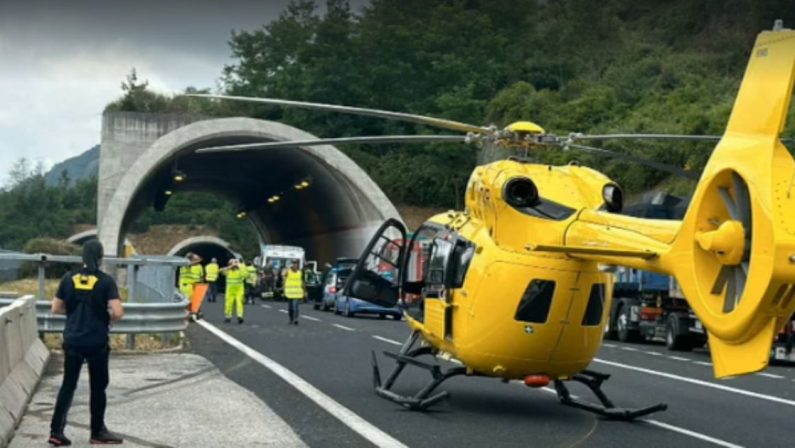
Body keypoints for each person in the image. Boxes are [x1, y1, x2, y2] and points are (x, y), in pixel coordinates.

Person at [48, 240, 124, 446]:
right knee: (98, 387)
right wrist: (107, 317)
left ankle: (56, 431)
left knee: (68, 385)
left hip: (72, 339)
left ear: (82, 257)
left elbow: (55, 308)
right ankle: (97, 431)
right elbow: (117, 312)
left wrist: (73, 312)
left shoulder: (68, 278)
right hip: (97, 341)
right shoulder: (106, 281)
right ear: (100, 258)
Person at [221, 258, 245, 324]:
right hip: (230, 291)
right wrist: (230, 266)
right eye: (231, 264)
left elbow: (245, 273)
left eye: (234, 264)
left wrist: (239, 265)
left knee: (239, 303)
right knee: (229, 303)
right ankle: (228, 316)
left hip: (239, 290)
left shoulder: (240, 271)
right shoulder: (228, 271)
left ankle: (240, 316)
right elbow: (220, 270)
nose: (233, 265)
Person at [284, 260, 306, 325]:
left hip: (297, 292)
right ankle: (291, 319)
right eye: (293, 264)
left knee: (295, 306)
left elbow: (302, 282)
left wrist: (305, 291)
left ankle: (295, 319)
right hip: (289, 292)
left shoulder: (300, 272)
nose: (295, 265)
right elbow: (283, 276)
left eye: (296, 264)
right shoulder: (288, 271)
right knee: (290, 307)